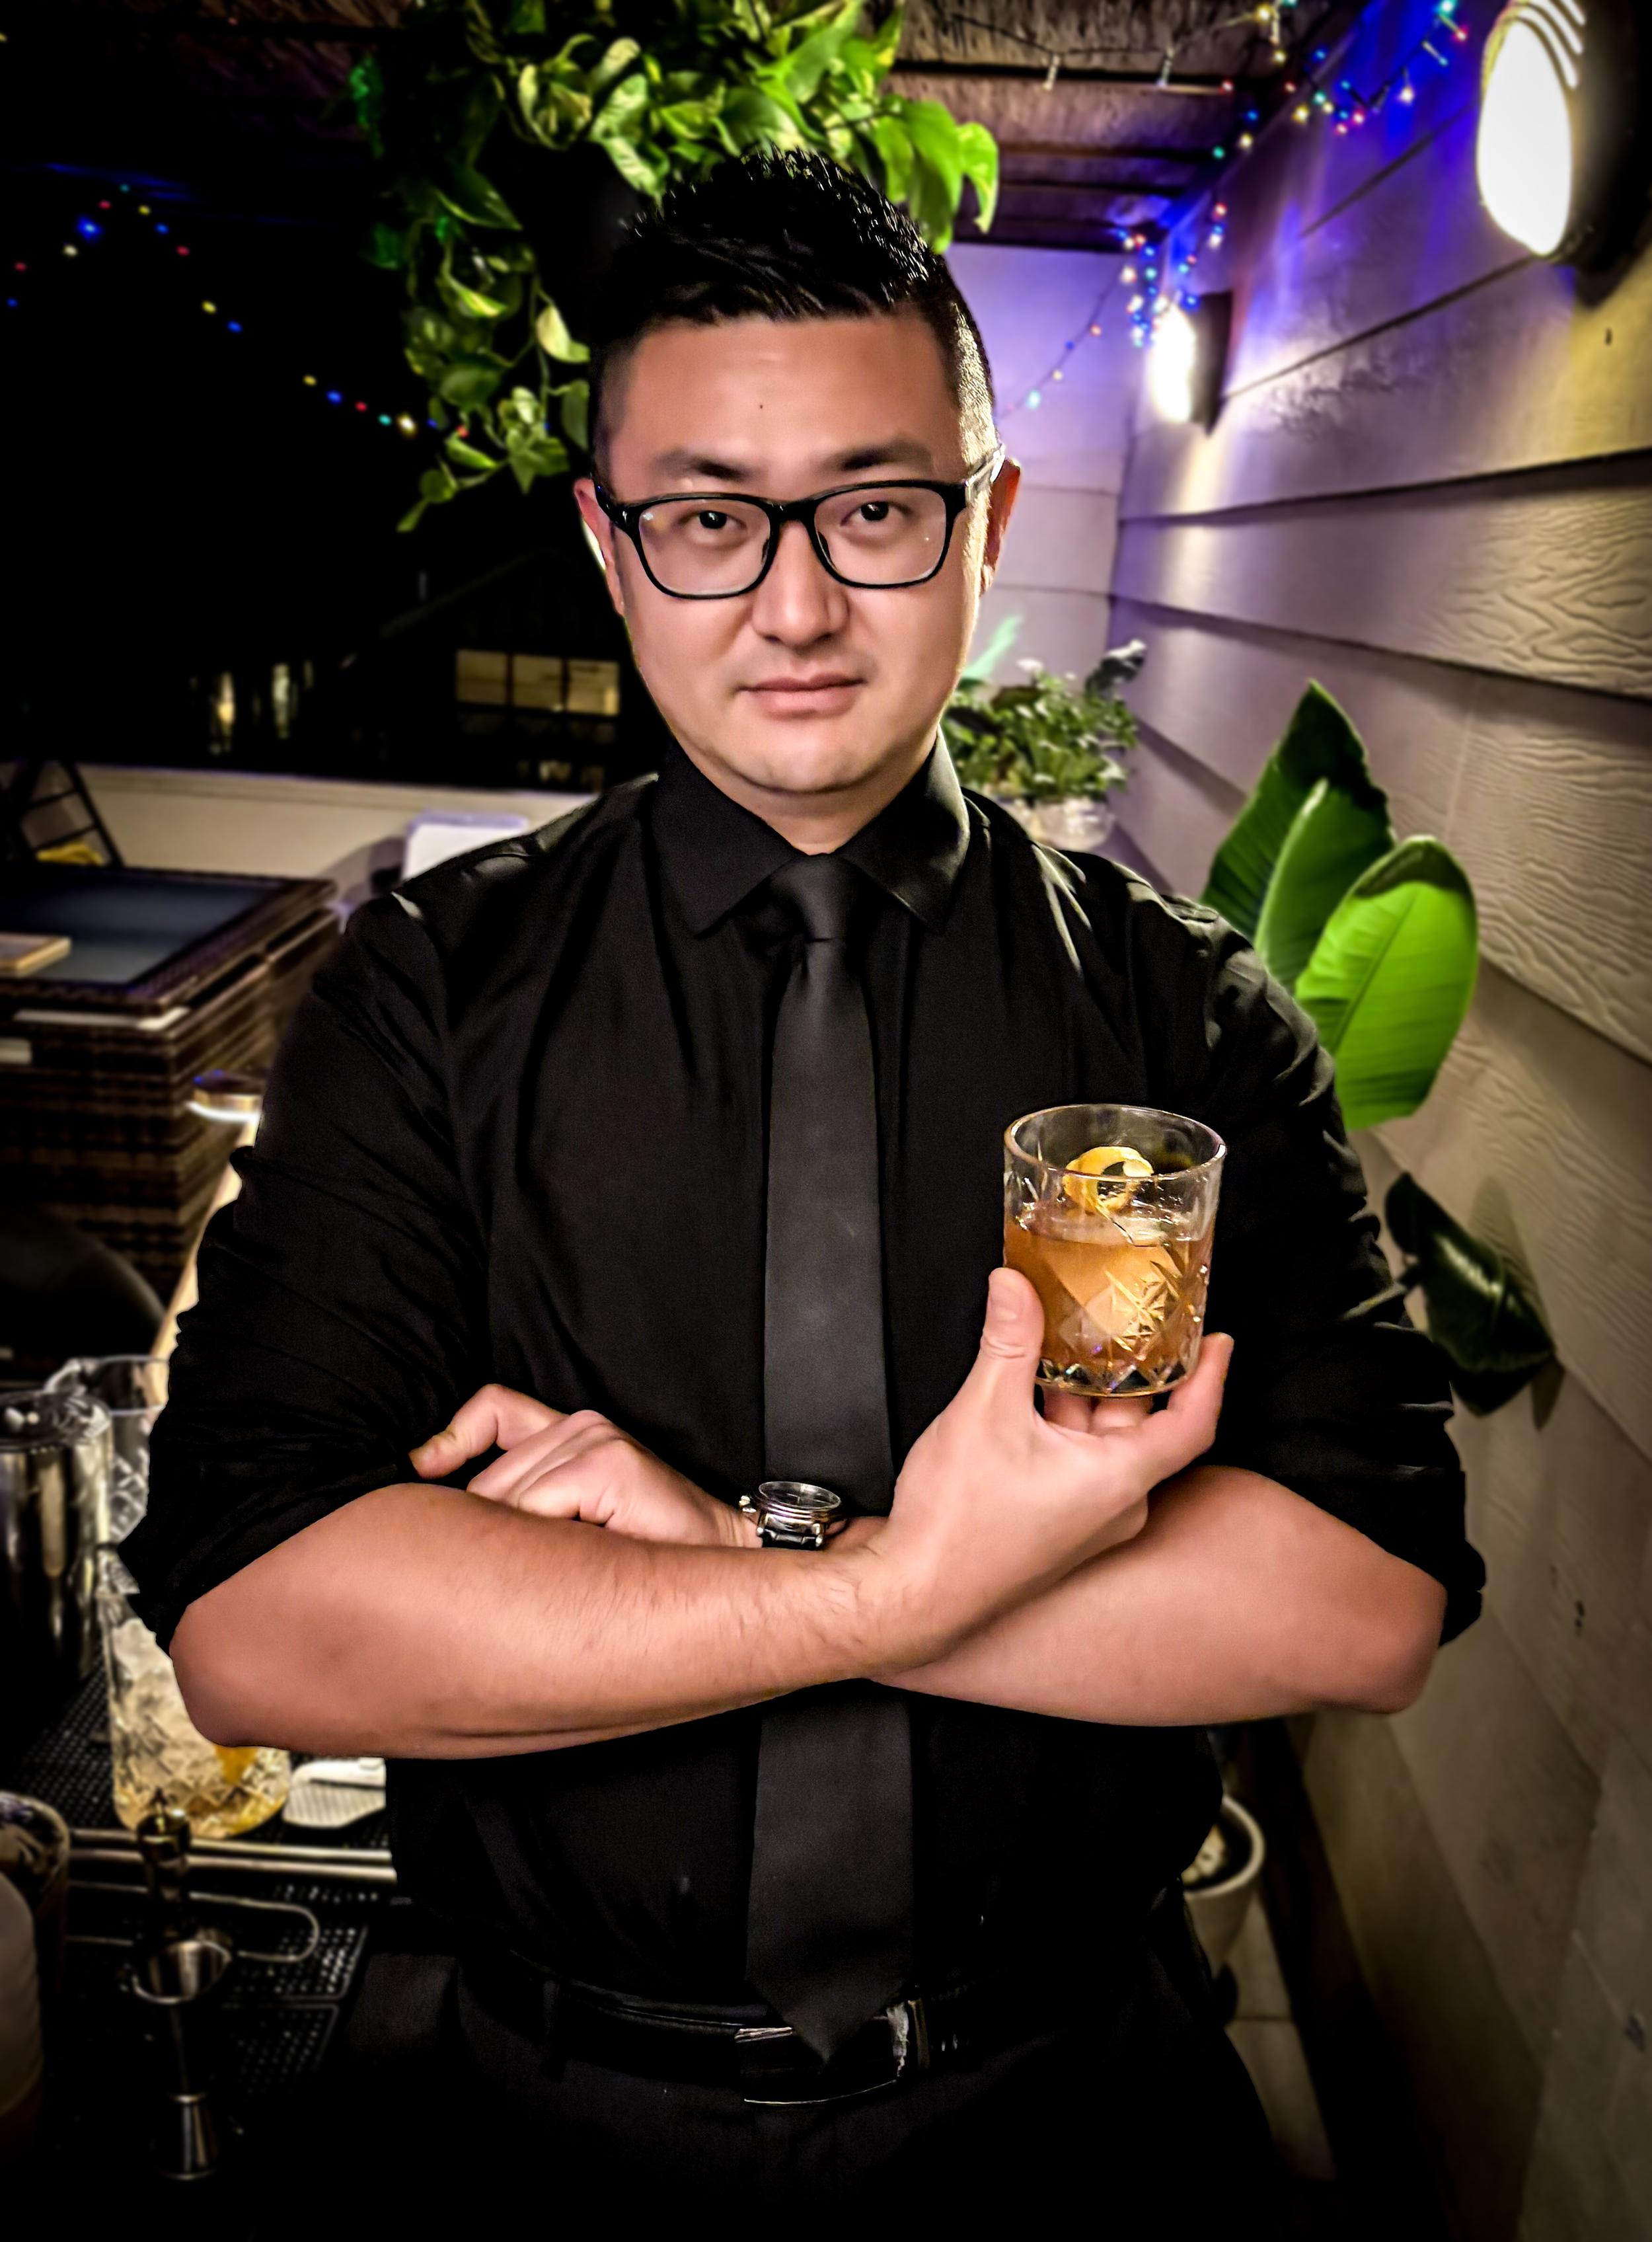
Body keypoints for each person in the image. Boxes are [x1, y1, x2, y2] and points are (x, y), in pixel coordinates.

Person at [126, 151, 1481, 2229]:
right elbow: (257, 1629)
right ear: (607, 543)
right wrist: (893, 1591)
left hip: (1071, 2111)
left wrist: (748, 1558)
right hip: (527, 2117)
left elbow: (1357, 1598)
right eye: (703, 519)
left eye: (869, 508)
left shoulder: (1177, 1011)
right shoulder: (432, 993)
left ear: (983, 516)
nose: (790, 604)